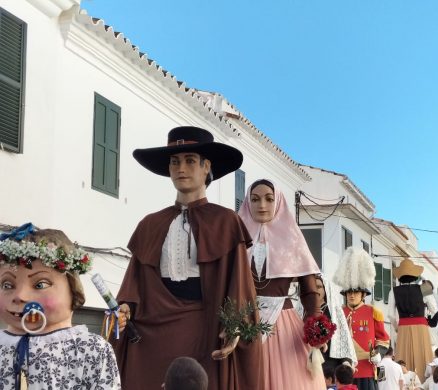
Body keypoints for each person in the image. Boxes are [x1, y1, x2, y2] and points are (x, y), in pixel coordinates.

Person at [113, 126, 264, 390]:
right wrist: (125, 307)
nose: (181, 168)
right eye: (174, 162)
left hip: (205, 329)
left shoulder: (225, 221)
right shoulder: (150, 223)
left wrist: (235, 326)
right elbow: (135, 281)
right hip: (153, 330)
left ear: (207, 167)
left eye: (190, 161)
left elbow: (239, 282)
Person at [0, 223, 121, 389]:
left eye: (40, 284)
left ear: (72, 289)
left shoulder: (92, 350)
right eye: (7, 285)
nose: (20, 296)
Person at [238, 179, 325, 389]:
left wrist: (315, 327)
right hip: (243, 322)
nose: (262, 205)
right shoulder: (236, 237)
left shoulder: (292, 239)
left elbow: (310, 289)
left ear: (278, 203)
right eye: (255, 199)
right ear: (248, 203)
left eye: (269, 199)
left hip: (283, 325)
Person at [333, 247, 390, 390]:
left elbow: (383, 339)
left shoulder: (373, 312)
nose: (351, 295)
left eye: (356, 292)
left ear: (363, 294)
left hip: (366, 370)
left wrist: (378, 354)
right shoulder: (339, 312)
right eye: (349, 292)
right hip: (344, 372)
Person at [388, 258, 435, 383]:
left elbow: (390, 315)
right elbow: (434, 308)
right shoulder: (424, 287)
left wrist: (397, 327)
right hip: (421, 327)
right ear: (415, 274)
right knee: (424, 357)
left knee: (403, 360)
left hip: (403, 327)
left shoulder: (393, 291)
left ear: (400, 276)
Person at [316, 275, 358, 369]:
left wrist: (346, 361)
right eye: (313, 287)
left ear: (326, 289)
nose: (315, 290)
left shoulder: (334, 312)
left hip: (329, 363)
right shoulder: (304, 311)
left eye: (319, 287)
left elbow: (343, 338)